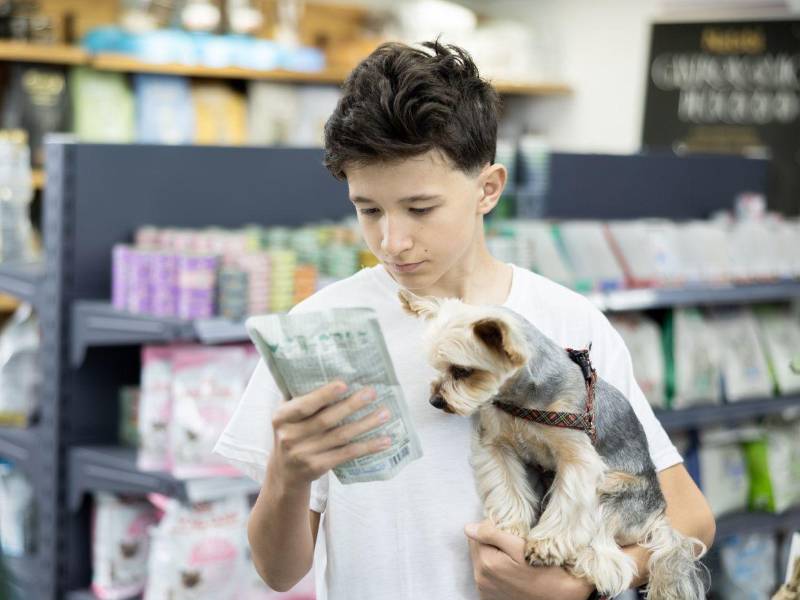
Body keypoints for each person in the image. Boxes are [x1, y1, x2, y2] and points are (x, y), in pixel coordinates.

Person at [215, 40, 716, 600]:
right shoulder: (321, 330)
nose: (392, 241)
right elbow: (278, 572)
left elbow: (691, 519)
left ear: (488, 189)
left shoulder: (571, 324)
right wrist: (287, 475)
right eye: (368, 209)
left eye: (420, 209)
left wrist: (575, 587)